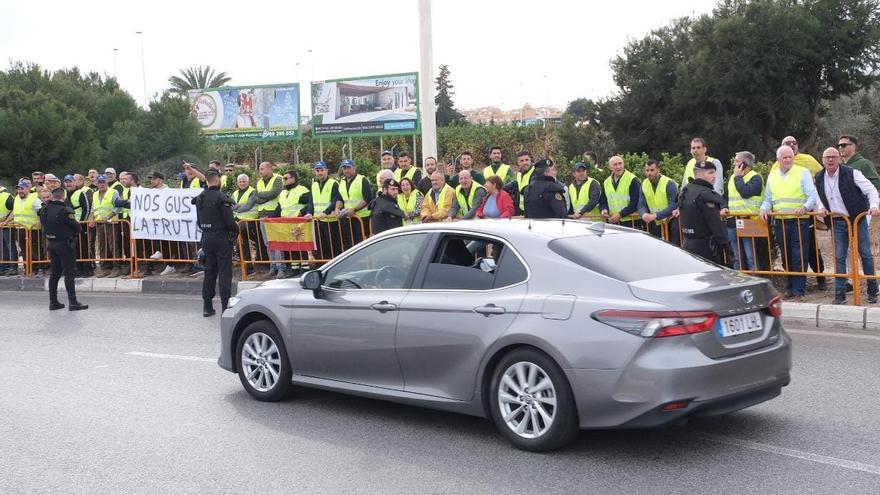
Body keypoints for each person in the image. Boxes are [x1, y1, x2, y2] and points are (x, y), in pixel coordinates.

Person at [815, 147, 879, 305]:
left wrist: (874, 205)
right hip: (837, 221)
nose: (830, 160)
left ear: (839, 159)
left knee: (865, 254)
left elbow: (871, 189)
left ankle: (872, 290)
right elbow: (817, 195)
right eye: (827, 157)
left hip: (857, 219)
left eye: (833, 157)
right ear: (823, 160)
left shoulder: (852, 173)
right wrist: (821, 207)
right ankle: (840, 294)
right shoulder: (819, 177)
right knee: (839, 257)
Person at [760, 146, 818, 300]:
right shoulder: (772, 176)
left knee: (799, 255)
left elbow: (813, 196)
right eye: (784, 157)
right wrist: (763, 209)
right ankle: (791, 287)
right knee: (786, 256)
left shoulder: (802, 172)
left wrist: (804, 207)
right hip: (780, 222)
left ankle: (799, 290)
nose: (788, 160)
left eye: (790, 157)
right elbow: (768, 199)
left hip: (799, 221)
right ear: (778, 159)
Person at [192, 169, 239, 316]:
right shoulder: (221, 197)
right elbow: (230, 222)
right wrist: (235, 232)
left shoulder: (200, 197)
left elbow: (199, 221)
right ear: (218, 179)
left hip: (206, 237)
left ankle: (207, 306)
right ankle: (226, 306)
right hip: (221, 238)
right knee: (225, 273)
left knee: (209, 273)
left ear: (206, 179)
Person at [39, 187, 88, 311]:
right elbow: (77, 227)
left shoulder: (44, 209)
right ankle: (73, 302)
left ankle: (53, 302)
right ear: (63, 196)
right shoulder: (65, 211)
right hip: (64, 245)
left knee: (54, 273)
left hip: (51, 244)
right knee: (69, 273)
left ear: (52, 196)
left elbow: (44, 224)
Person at [678, 160, 733, 264]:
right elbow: (715, 224)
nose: (714, 176)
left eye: (714, 172)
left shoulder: (686, 190)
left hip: (687, 243)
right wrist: (727, 248)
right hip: (705, 247)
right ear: (698, 174)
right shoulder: (705, 194)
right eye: (710, 173)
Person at [724, 151, 765, 271]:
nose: (734, 164)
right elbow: (726, 196)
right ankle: (738, 281)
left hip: (748, 222)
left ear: (744, 164)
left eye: (737, 161)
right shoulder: (732, 177)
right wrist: (723, 206)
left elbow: (745, 192)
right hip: (732, 220)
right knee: (736, 257)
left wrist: (738, 177)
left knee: (750, 256)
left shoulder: (756, 177)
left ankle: (755, 281)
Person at [275, 170, 313, 278]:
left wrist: (303, 212)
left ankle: (304, 268)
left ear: (293, 179)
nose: (284, 180)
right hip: (287, 223)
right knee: (291, 246)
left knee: (301, 245)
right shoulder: (283, 193)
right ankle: (295, 268)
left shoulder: (302, 190)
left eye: (286, 178)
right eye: (283, 178)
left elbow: (311, 202)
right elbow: (279, 208)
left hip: (299, 222)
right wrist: (269, 218)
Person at [88, 175, 122, 278]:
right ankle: (105, 268)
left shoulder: (113, 192)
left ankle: (116, 268)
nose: (101, 184)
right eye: (99, 182)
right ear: (96, 183)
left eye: (103, 182)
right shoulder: (94, 194)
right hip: (99, 224)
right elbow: (93, 209)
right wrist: (91, 219)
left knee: (113, 246)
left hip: (111, 223)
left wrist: (108, 216)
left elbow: (119, 206)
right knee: (102, 247)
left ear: (107, 182)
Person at [638, 159, 679, 242]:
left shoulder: (669, 183)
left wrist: (656, 215)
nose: (649, 173)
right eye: (647, 170)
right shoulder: (644, 184)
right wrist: (644, 214)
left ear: (658, 170)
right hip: (654, 222)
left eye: (652, 170)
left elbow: (673, 205)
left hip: (670, 221)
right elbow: (641, 204)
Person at [254, 162, 283, 276]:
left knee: (277, 243)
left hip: (274, 214)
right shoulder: (259, 182)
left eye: (262, 169)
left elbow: (275, 193)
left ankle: (281, 268)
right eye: (259, 169)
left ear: (270, 169)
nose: (260, 171)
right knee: (268, 243)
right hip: (262, 215)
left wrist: (261, 196)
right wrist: (264, 196)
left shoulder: (278, 178)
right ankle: (273, 267)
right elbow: (256, 197)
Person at [311, 161, 343, 260]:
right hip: (318, 220)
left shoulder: (333, 183)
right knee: (321, 246)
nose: (320, 173)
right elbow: (311, 201)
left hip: (331, 220)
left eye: (322, 170)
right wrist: (309, 212)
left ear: (326, 171)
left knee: (333, 246)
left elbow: (335, 199)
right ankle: (322, 266)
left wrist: (326, 212)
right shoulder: (314, 185)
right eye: (317, 170)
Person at [338, 159, 373, 249]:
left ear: (354, 168)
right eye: (344, 168)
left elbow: (368, 198)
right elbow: (340, 198)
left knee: (362, 244)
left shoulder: (362, 180)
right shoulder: (342, 181)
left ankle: (365, 263)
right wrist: (337, 208)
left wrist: (354, 210)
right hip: (348, 218)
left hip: (362, 218)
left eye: (349, 167)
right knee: (349, 244)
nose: (346, 170)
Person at [599, 155, 641, 228]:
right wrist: (603, 210)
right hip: (613, 222)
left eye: (620, 163)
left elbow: (635, 202)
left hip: (632, 222)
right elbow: (603, 201)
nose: (618, 167)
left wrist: (620, 215)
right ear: (610, 167)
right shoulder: (606, 182)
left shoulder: (633, 179)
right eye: (615, 164)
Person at [64, 174, 93, 276]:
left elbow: (87, 208)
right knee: (73, 248)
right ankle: (77, 268)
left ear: (74, 182)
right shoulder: (65, 195)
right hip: (70, 226)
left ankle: (87, 269)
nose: (68, 184)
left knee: (83, 247)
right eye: (66, 182)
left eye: (70, 182)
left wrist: (81, 223)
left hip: (81, 225)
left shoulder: (81, 193)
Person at [230, 173, 259, 277]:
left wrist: (237, 206)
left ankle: (250, 267)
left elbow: (248, 206)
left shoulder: (253, 191)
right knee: (241, 244)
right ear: (237, 183)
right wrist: (238, 206)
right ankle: (244, 264)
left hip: (250, 220)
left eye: (244, 181)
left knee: (246, 244)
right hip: (238, 220)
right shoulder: (235, 193)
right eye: (240, 182)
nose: (242, 183)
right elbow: (231, 206)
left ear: (248, 182)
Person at [0, 183, 16, 276]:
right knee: (2, 247)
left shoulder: (6, 197)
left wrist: (6, 221)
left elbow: (15, 209)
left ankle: (13, 267)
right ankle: (3, 267)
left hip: (7, 226)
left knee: (10, 247)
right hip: (2, 225)